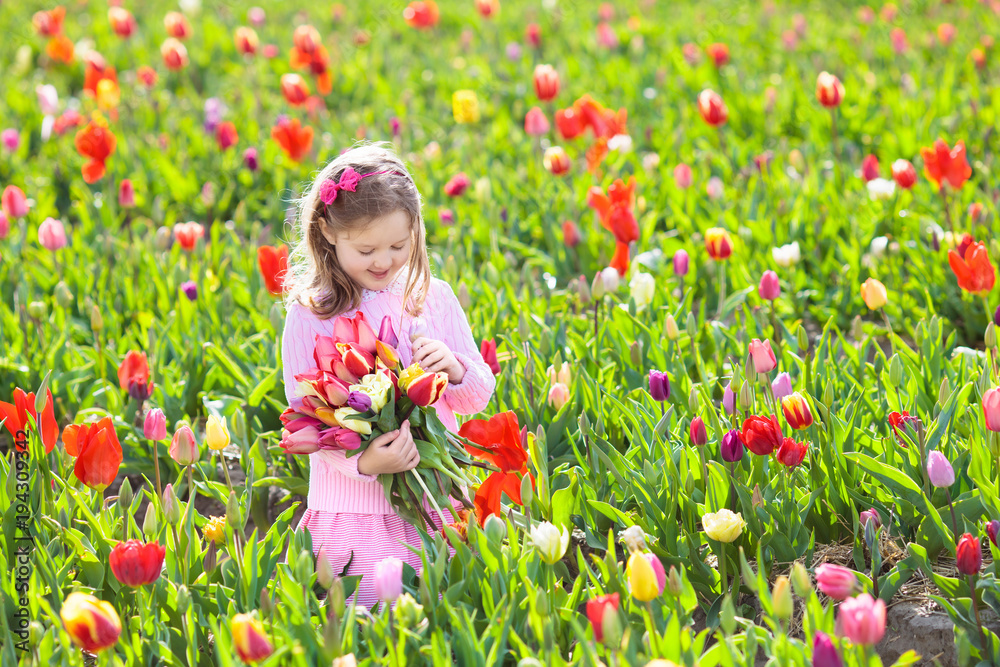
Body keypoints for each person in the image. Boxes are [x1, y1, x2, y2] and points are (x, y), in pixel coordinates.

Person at [280, 141, 496, 607]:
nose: (383, 261)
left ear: (415, 229)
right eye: (366, 249)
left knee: (441, 614)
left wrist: (455, 368)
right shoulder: (311, 315)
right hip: (354, 511)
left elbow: (477, 395)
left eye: (398, 246)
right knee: (369, 619)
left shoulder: (431, 296)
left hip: (436, 498)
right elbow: (307, 419)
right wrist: (364, 464)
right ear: (327, 232)